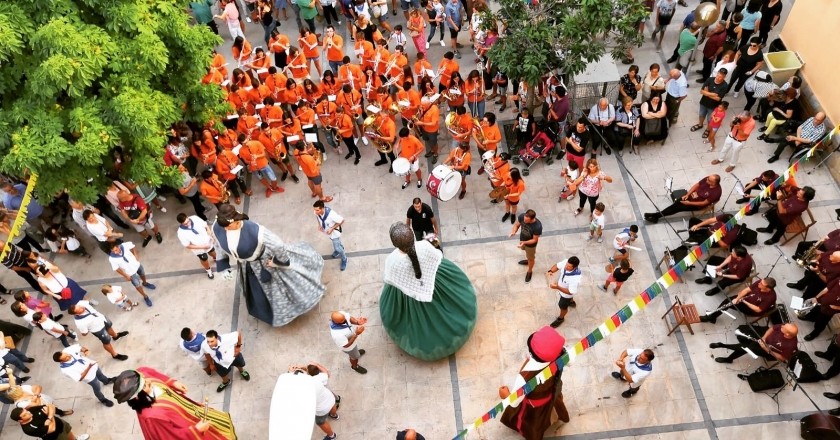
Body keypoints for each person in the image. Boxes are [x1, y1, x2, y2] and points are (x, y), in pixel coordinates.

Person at [212, 204, 325, 326]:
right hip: (248, 266)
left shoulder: (255, 231)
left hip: (264, 262)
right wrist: (224, 266)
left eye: (228, 226)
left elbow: (278, 246)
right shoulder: (218, 226)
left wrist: (277, 261)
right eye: (223, 227)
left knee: (284, 287)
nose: (225, 229)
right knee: (257, 292)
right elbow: (218, 245)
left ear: (236, 220)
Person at [380, 222, 476, 360]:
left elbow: (389, 279)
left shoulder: (392, 261)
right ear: (413, 235)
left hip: (409, 298)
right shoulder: (424, 246)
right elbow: (438, 255)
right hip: (437, 284)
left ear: (395, 244)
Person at [112, 367, 237, 439]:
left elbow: (147, 371)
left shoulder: (140, 377)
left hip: (192, 412)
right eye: (145, 385)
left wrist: (172, 382)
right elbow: (170, 437)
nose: (149, 382)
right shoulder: (152, 417)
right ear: (137, 398)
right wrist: (196, 430)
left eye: (145, 380)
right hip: (191, 427)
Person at [499, 325, 570, 440]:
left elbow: (514, 402)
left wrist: (505, 395)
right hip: (552, 394)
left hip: (534, 407)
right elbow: (571, 360)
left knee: (533, 425)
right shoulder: (560, 356)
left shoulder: (525, 377)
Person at [644, 174, 722, 223]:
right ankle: (656, 216)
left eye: (709, 180)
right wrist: (687, 194)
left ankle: (656, 216)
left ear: (714, 183)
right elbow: (697, 185)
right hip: (691, 197)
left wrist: (689, 203)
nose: (706, 179)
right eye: (708, 178)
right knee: (675, 204)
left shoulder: (716, 192)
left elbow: (703, 203)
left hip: (696, 204)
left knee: (677, 208)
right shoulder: (707, 179)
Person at [710, 323, 798, 364]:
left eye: (784, 328)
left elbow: (782, 358)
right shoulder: (784, 327)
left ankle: (722, 345)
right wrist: (763, 337)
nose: (782, 326)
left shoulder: (791, 345)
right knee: (746, 346)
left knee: (746, 347)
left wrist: (766, 349)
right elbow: (772, 328)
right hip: (764, 341)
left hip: (769, 352)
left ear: (787, 334)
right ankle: (729, 358)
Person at [701, 277, 777, 324]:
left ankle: (711, 317)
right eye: (761, 282)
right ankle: (713, 316)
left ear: (768, 288)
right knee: (727, 301)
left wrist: (744, 301)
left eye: (762, 284)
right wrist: (737, 299)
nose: (759, 283)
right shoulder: (759, 283)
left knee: (728, 304)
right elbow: (747, 290)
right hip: (746, 299)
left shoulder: (771, 297)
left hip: (751, 309)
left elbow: (758, 310)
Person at [108, 241, 155, 307]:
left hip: (136, 265)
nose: (115, 252)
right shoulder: (112, 258)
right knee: (137, 285)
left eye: (116, 250)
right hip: (129, 272)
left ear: (118, 246)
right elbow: (116, 269)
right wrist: (125, 275)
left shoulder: (125, 245)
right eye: (113, 251)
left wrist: (135, 254)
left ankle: (145, 283)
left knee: (142, 274)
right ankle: (145, 296)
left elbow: (132, 245)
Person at [10, 405, 89, 440]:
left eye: (26, 411)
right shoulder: (28, 429)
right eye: (25, 415)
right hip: (56, 437)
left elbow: (50, 406)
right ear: (20, 420)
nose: (29, 413)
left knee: (69, 432)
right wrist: (50, 415)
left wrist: (49, 418)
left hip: (61, 423)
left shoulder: (31, 410)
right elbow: (52, 429)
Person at [176, 213, 216, 279]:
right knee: (204, 259)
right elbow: (188, 245)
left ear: (188, 217)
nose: (188, 224)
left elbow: (205, 226)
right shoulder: (181, 233)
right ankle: (208, 271)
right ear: (181, 223)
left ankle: (215, 258)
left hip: (208, 242)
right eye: (185, 224)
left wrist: (210, 235)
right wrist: (203, 247)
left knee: (213, 253)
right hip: (199, 248)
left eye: (188, 221)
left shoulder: (195, 218)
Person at [313, 200, 348, 272]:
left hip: (334, 233)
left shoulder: (331, 215)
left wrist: (332, 228)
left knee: (337, 247)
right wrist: (319, 225)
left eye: (317, 210)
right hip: (327, 232)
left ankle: (344, 258)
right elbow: (317, 216)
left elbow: (342, 220)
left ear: (322, 208)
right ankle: (339, 247)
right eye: (315, 210)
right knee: (337, 243)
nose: (315, 212)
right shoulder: (317, 212)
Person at [547, 257, 582, 327]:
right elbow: (557, 266)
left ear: (575, 267)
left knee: (562, 305)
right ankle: (571, 302)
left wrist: (557, 287)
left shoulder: (575, 279)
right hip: (562, 287)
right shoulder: (566, 262)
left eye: (569, 267)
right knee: (569, 299)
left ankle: (561, 318)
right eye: (566, 265)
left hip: (566, 295)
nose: (566, 267)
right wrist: (550, 271)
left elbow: (570, 292)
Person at [692, 69, 729, 135]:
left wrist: (707, 93)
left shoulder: (725, 85)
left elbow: (718, 98)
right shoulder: (710, 79)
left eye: (720, 77)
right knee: (701, 114)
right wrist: (712, 94)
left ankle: (708, 129)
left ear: (724, 77)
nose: (718, 78)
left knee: (710, 119)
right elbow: (701, 91)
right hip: (703, 102)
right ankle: (700, 124)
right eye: (717, 75)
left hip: (713, 106)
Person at [510, 210, 542, 283]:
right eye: (524, 219)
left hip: (530, 245)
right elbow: (516, 225)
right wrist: (513, 231)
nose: (524, 221)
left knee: (531, 258)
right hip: (523, 240)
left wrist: (524, 242)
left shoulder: (537, 226)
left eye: (526, 220)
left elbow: (534, 240)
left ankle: (529, 271)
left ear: (532, 219)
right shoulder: (522, 216)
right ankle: (528, 260)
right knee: (526, 254)